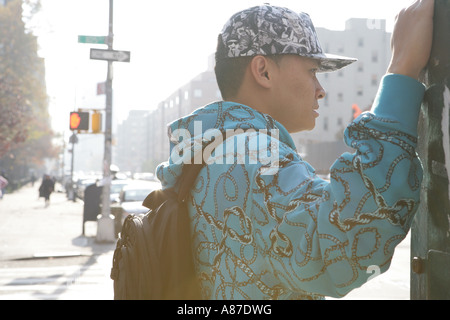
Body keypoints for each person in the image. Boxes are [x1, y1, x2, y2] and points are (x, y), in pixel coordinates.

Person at [156, 1, 434, 299]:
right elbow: (343, 246)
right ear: (263, 71)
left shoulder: (209, 153)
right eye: (312, 70)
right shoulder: (256, 155)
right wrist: (402, 70)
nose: (320, 88)